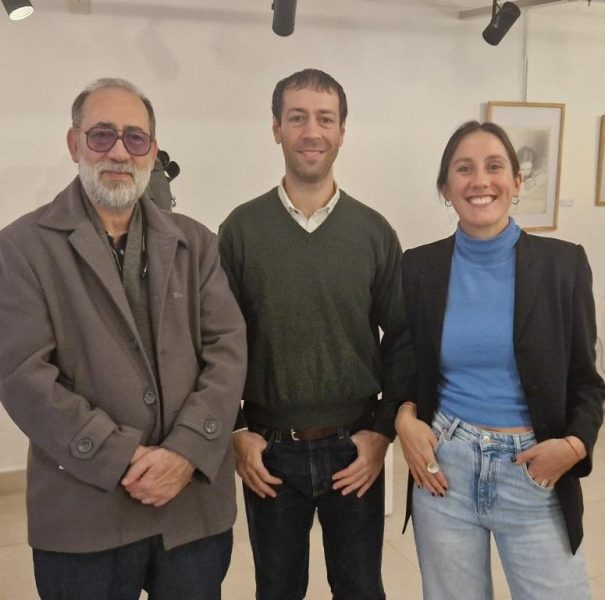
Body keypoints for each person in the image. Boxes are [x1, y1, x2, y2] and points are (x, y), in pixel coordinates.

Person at [0, 78, 247, 600]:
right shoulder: (21, 249)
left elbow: (227, 351)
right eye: (101, 135)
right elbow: (23, 376)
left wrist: (185, 451)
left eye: (135, 138)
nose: (118, 151)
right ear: (74, 143)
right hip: (85, 514)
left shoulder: (196, 243)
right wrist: (122, 458)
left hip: (190, 510)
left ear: (151, 152)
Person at [219, 68, 413, 600]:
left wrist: (382, 432)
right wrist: (236, 430)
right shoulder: (240, 230)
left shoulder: (374, 233)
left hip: (354, 449)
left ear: (342, 131)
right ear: (276, 128)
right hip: (270, 453)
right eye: (297, 118)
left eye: (325, 119)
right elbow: (215, 342)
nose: (312, 131)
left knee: (360, 589)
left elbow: (402, 338)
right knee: (277, 590)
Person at [396, 120, 605, 600]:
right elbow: (407, 364)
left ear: (516, 181)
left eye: (494, 167)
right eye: (463, 169)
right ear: (445, 188)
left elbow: (588, 382)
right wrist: (404, 416)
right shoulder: (420, 267)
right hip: (445, 469)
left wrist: (575, 445)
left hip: (535, 471)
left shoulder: (563, 265)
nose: (480, 181)